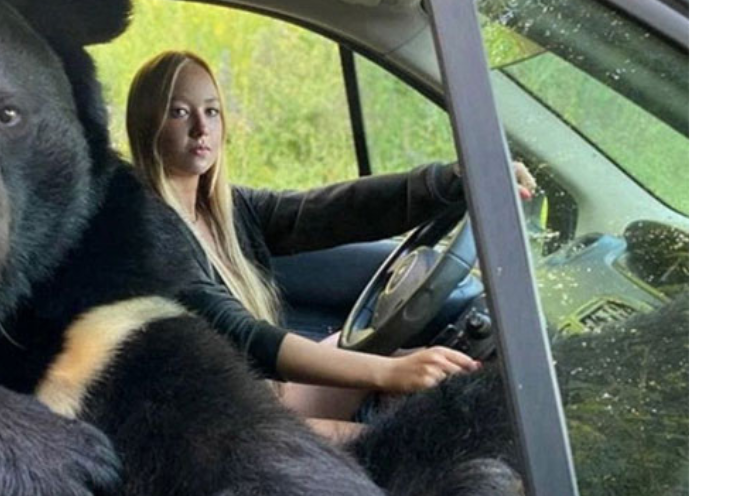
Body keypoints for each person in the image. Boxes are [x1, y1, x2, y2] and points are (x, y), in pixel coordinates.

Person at [125, 50, 535, 442]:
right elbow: (245, 337)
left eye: (211, 111)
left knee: (441, 379)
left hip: (264, 400)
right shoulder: (145, 233)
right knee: (399, 448)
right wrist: (388, 374)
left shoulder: (226, 210)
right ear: (147, 124)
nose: (201, 128)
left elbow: (333, 210)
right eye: (180, 113)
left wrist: (455, 181)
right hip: (214, 433)